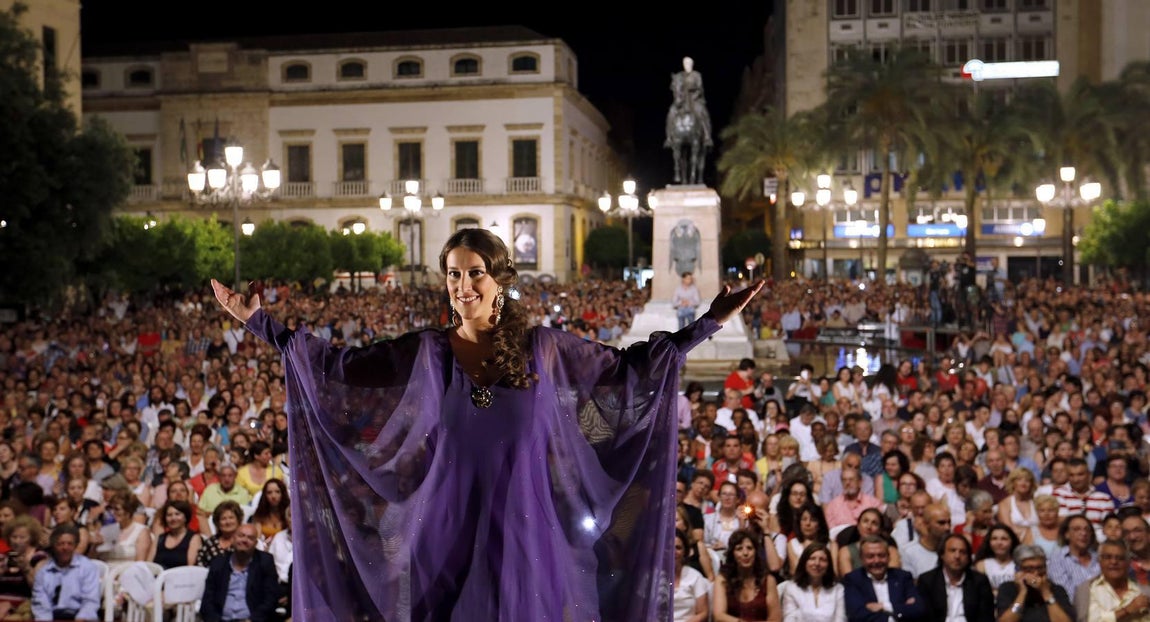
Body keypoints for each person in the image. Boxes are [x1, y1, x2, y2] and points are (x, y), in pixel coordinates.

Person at [211, 227, 764, 620]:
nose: (463, 285)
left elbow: (632, 368)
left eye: (475, 273)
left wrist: (709, 322)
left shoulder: (545, 350)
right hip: (440, 537)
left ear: (500, 278)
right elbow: (336, 368)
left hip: (526, 539)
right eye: (453, 274)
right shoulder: (427, 351)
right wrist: (259, 322)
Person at [200, 524, 279, 622]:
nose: (244, 540)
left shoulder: (265, 562)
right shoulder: (219, 563)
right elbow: (207, 601)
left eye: (250, 538)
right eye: (241, 536)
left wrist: (252, 620)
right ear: (233, 539)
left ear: (255, 543)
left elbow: (271, 599)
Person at [842, 535, 925, 622]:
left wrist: (885, 606)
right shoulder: (853, 579)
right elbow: (857, 616)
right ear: (862, 559)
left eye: (881, 555)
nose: (877, 560)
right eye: (870, 556)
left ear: (889, 557)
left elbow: (918, 609)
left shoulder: (903, 577)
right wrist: (898, 611)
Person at [30, 524, 101, 622]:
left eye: (69, 544)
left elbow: (90, 601)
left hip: (80, 617)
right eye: (61, 544)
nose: (65, 548)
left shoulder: (88, 567)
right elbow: (41, 605)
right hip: (53, 616)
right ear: (54, 545)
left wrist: (80, 618)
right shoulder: (43, 572)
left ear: (75, 545)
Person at [918, 534, 995, 622]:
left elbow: (986, 617)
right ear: (942, 554)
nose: (957, 556)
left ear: (968, 557)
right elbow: (925, 617)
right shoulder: (928, 580)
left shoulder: (979, 581)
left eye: (962, 552)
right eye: (952, 550)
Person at [713, 529, 781, 622]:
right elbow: (719, 616)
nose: (745, 553)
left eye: (749, 548)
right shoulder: (722, 580)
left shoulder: (768, 581)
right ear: (732, 554)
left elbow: (775, 619)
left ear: (756, 552)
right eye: (739, 549)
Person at [995, 544, 1074, 622]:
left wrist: (1046, 593)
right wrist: (1022, 593)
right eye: (1029, 569)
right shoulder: (1007, 589)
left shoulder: (1057, 590)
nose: (1036, 573)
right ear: (1018, 570)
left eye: (1040, 568)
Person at [1084, 539, 1150, 622]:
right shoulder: (1089, 591)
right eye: (1107, 557)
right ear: (1099, 561)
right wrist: (1127, 610)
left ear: (1128, 562)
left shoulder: (1143, 591)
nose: (1114, 562)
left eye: (1120, 558)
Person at [780, 542, 845, 622]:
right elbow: (789, 619)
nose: (817, 563)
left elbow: (840, 619)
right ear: (804, 562)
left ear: (829, 565)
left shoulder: (838, 589)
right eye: (812, 558)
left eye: (822, 560)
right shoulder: (792, 588)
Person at [664, 56, 713, 148]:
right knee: (671, 112)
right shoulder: (679, 75)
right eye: (685, 63)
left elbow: (700, 88)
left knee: (702, 111)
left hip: (694, 98)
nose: (687, 65)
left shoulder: (697, 75)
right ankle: (669, 137)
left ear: (692, 64)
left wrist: (695, 95)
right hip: (681, 99)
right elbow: (673, 87)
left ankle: (707, 136)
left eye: (688, 63)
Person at [673, 528, 710, 622]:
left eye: (678, 548)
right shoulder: (651, 578)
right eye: (668, 547)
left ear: (685, 552)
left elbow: (703, 613)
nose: (673, 552)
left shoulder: (695, 577)